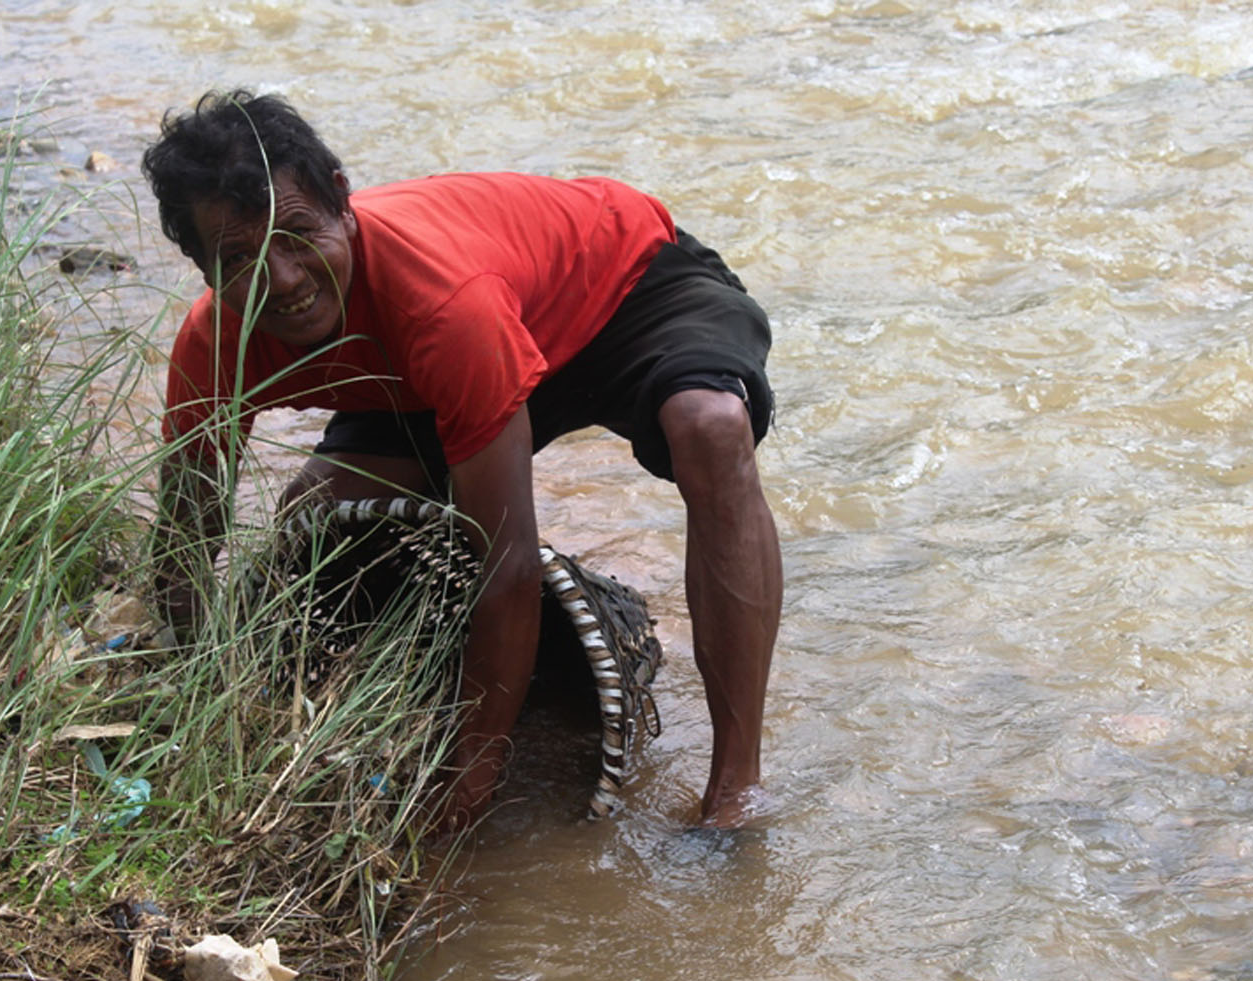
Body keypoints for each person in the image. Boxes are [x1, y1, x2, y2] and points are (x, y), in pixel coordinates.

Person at [141, 90, 782, 830]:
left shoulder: (442, 304)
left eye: (298, 234)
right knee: (310, 517)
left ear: (343, 204)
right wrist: (191, 703)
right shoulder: (214, 341)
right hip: (439, 361)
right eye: (239, 258)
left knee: (709, 425)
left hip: (624, 288)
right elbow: (185, 542)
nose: (282, 279)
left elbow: (506, 569)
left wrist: (466, 785)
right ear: (202, 268)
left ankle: (737, 787)